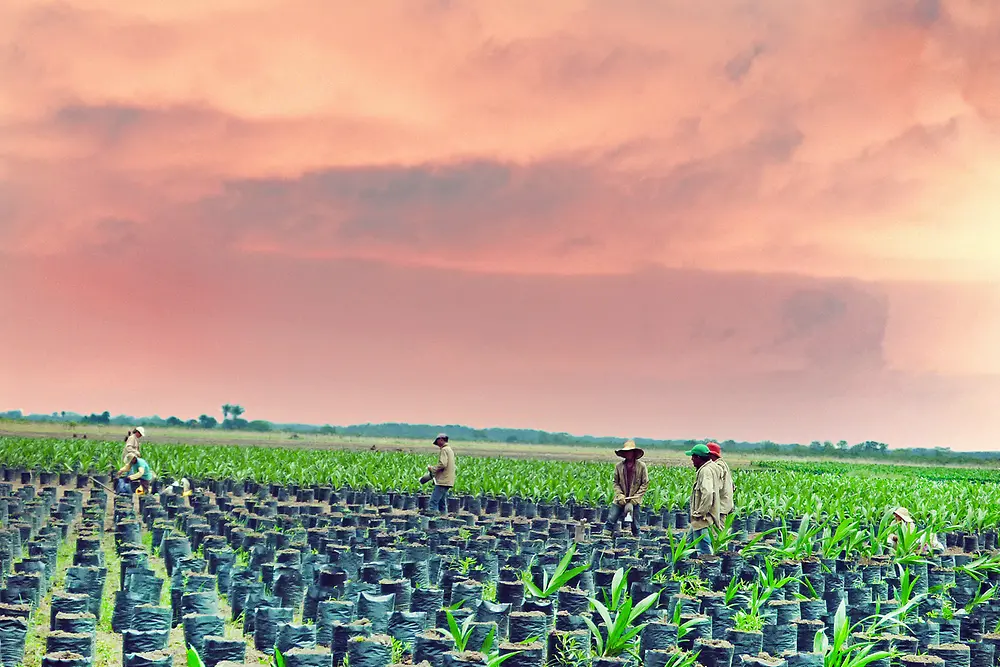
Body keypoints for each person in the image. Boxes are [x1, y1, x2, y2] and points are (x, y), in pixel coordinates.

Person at [605, 439, 649, 536]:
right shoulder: (619, 466)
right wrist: (620, 495)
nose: (628, 454)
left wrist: (636, 497)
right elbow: (615, 482)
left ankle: (636, 541)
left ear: (633, 453)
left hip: (634, 499)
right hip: (621, 499)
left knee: (635, 524)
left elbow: (645, 484)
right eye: (626, 452)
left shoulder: (641, 466)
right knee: (611, 519)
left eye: (630, 452)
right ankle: (605, 539)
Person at [685, 443, 721, 555]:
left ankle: (708, 568)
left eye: (693, 457)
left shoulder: (705, 471)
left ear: (699, 458)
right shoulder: (713, 467)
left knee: (703, 548)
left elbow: (708, 493)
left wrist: (700, 512)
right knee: (690, 543)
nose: (691, 459)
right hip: (701, 516)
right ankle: (688, 566)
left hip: (703, 518)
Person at [707, 442, 735, 522]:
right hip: (725, 504)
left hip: (720, 506)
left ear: (711, 455)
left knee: (718, 532)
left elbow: (717, 487)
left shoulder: (718, 466)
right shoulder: (723, 464)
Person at [427, 433, 455, 514]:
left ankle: (434, 521)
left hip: (443, 480)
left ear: (441, 440)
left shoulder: (444, 450)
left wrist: (432, 469)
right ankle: (443, 519)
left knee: (433, 502)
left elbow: (443, 464)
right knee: (442, 503)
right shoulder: (449, 449)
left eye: (438, 441)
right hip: (448, 480)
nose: (438, 445)